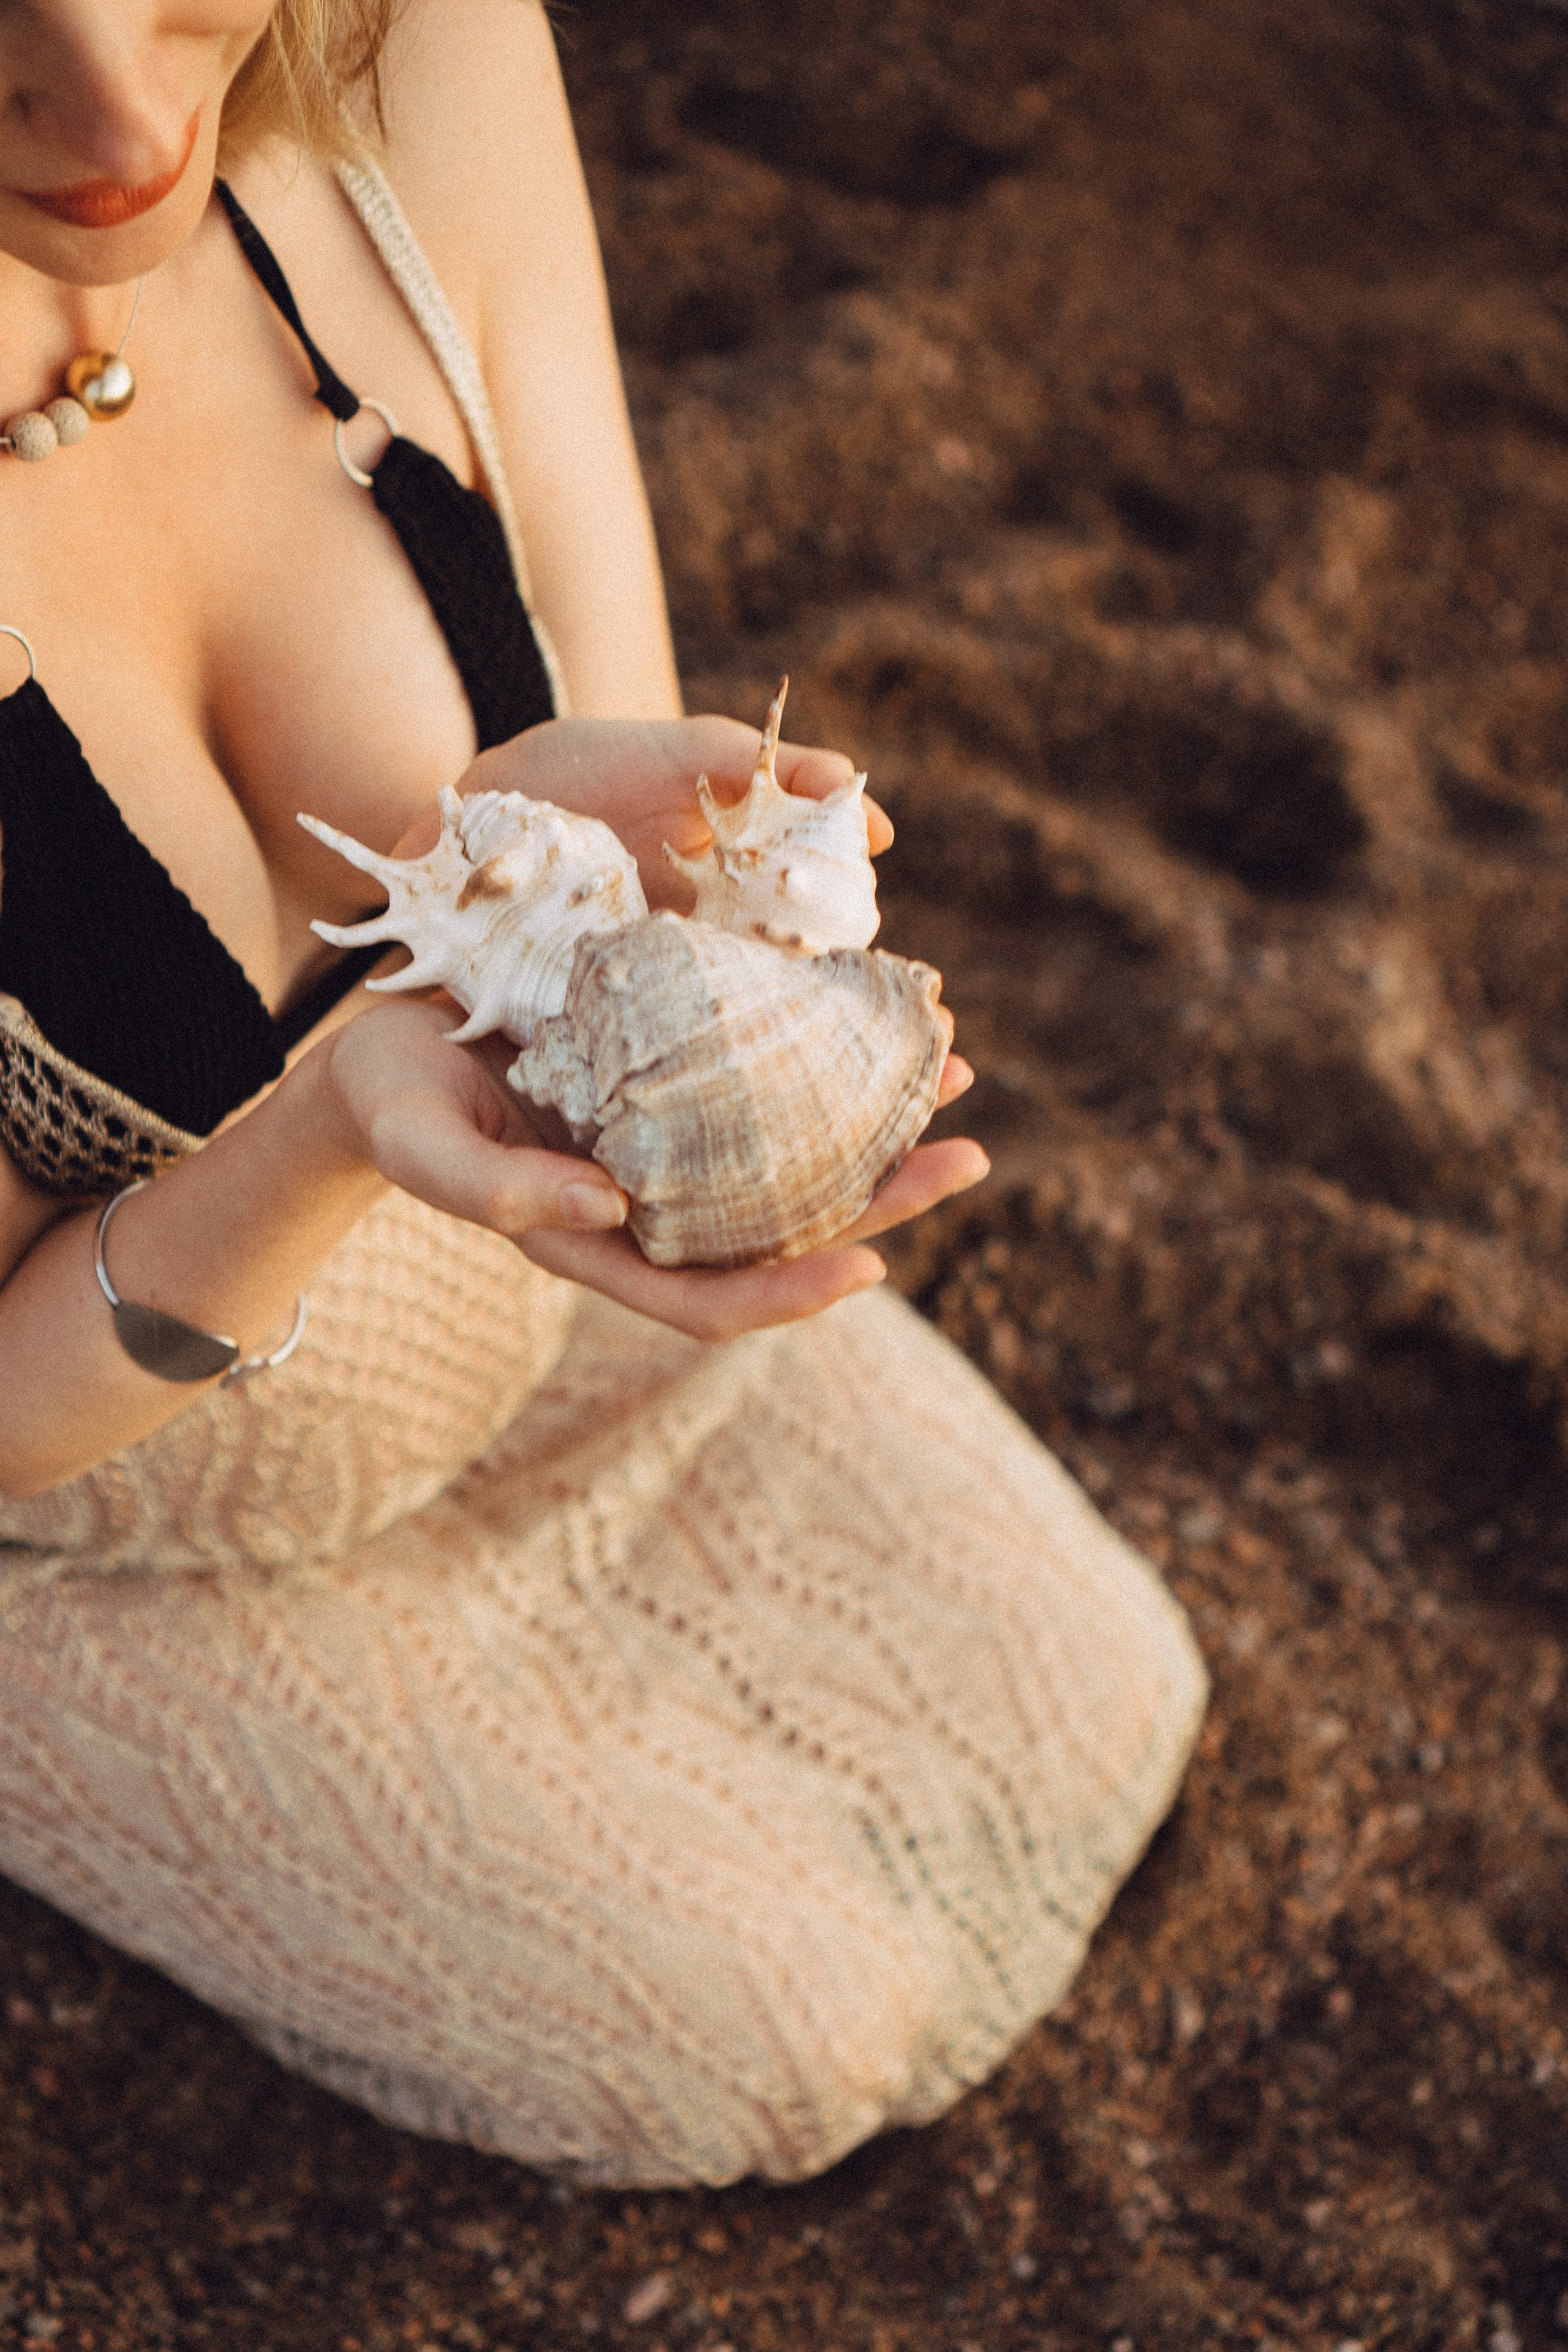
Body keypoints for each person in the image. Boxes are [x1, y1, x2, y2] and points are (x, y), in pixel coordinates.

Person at [0, 0, 1206, 2187]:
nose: (112, 109)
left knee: (1101, 1715)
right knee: (771, 2048)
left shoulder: (401, 49)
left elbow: (629, 736)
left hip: (552, 1294)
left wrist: (670, 891)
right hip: (102, 1521)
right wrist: (323, 1132)